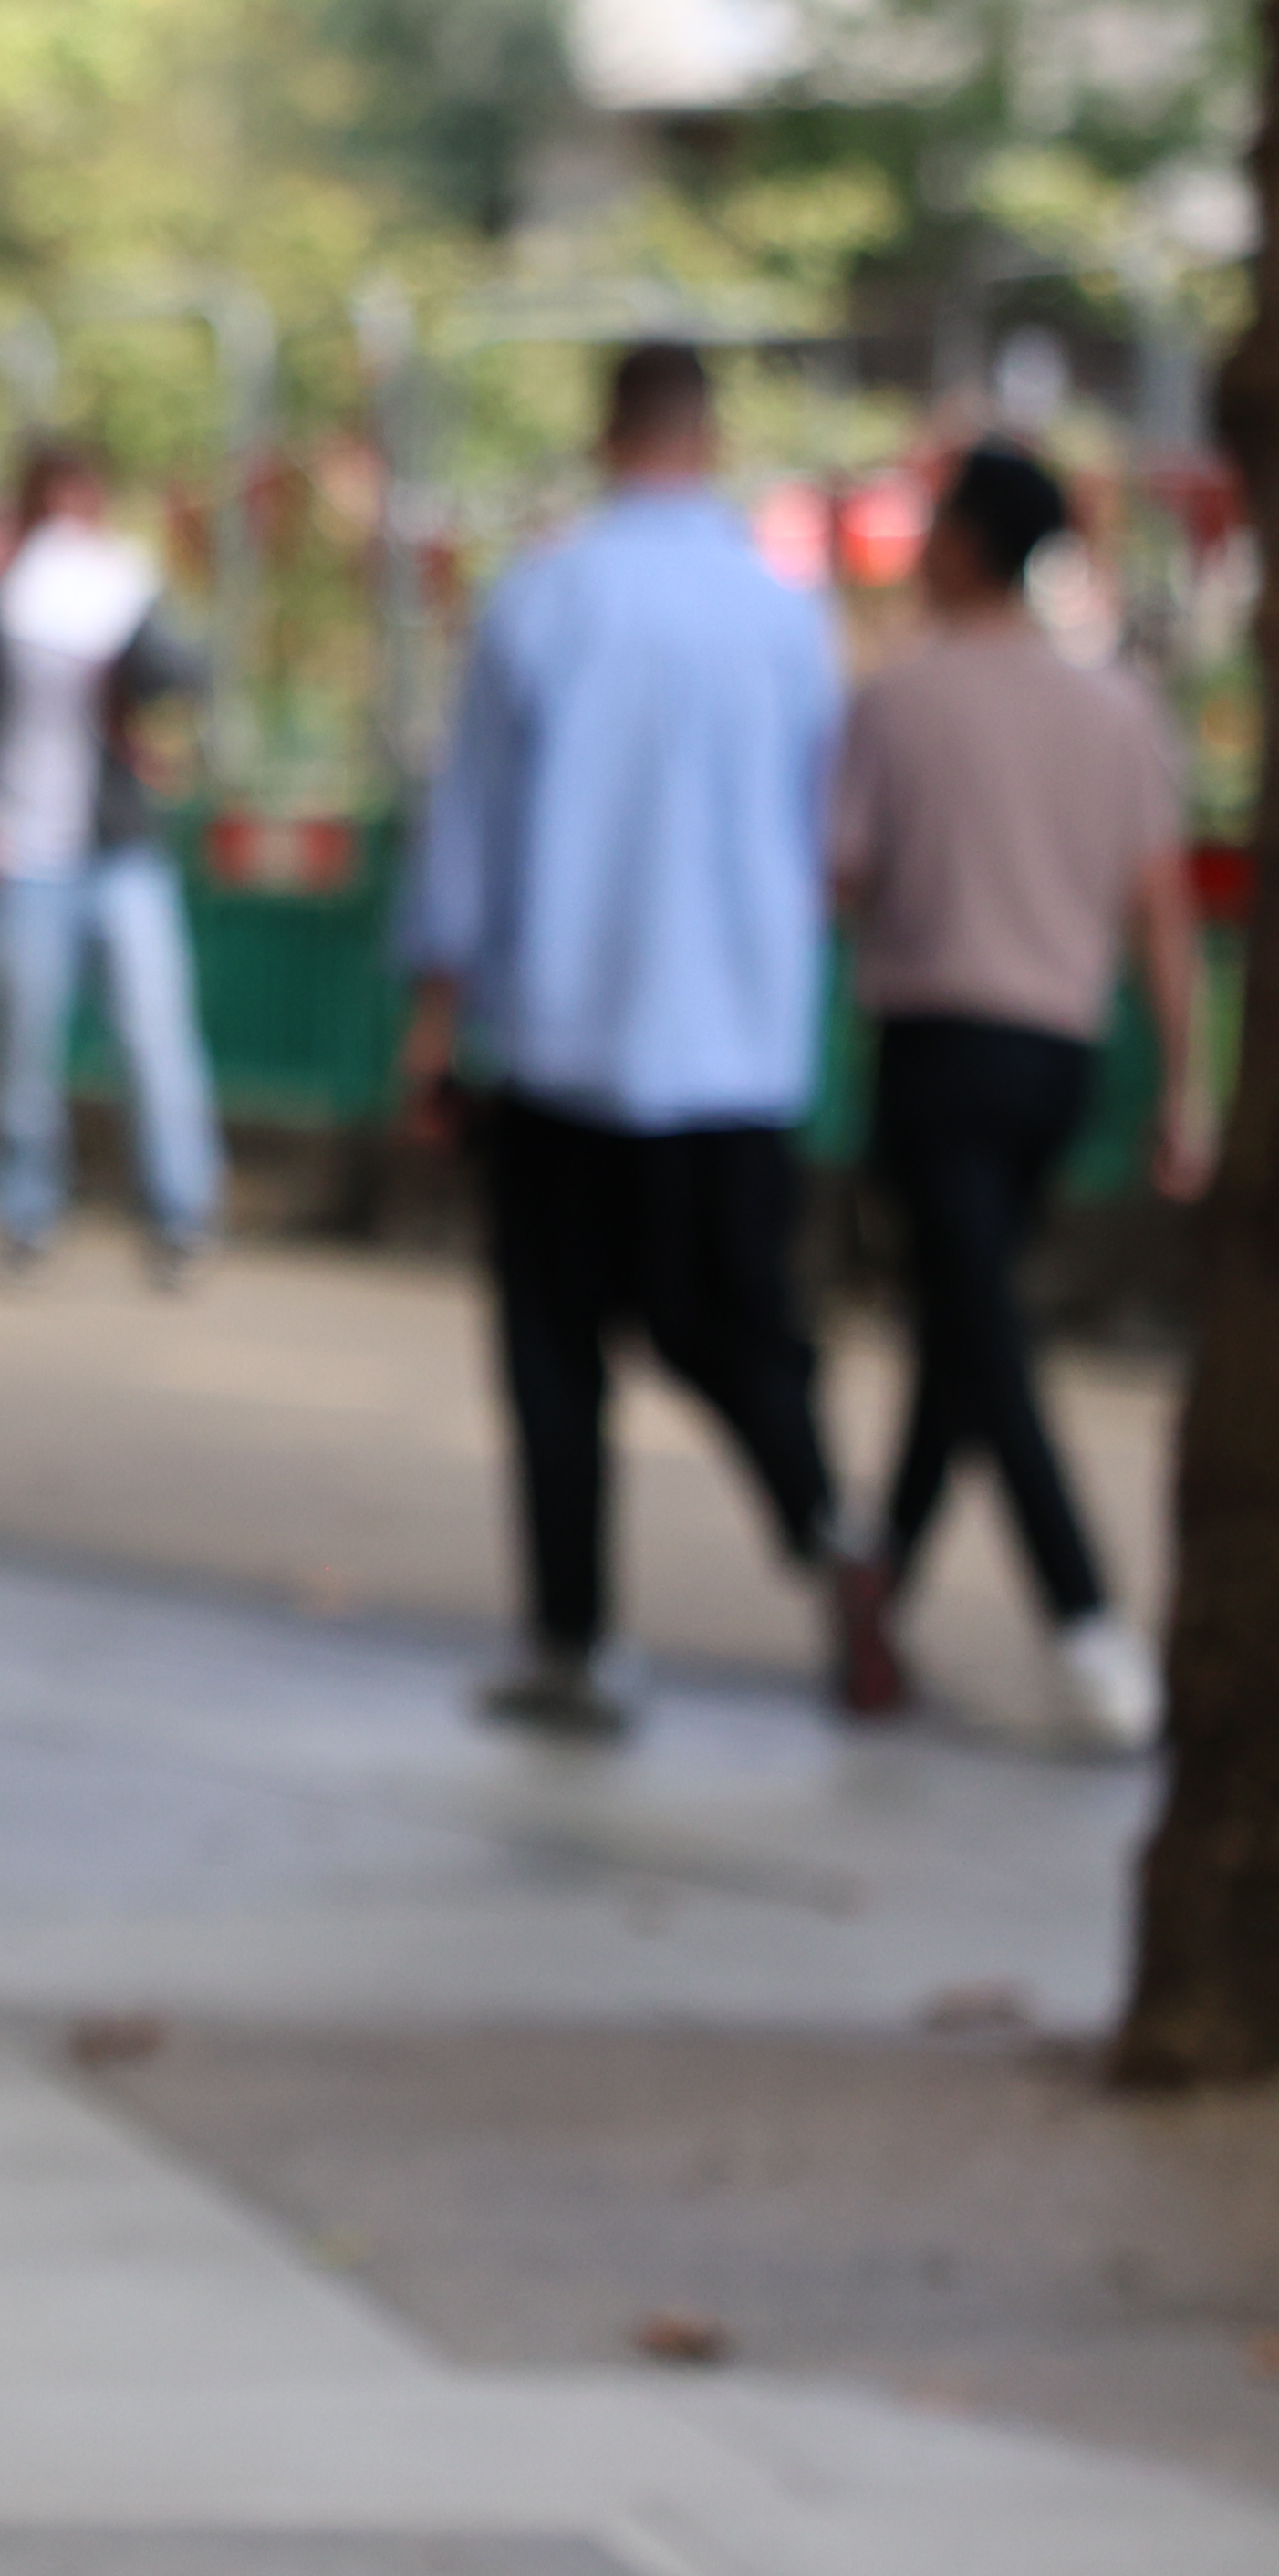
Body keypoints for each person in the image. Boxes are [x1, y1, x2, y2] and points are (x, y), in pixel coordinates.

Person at [394, 342, 861, 1741]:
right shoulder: (786, 621)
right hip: (739, 1051)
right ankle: (829, 1531)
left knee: (555, 1352)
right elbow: (828, 838)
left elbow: (465, 837)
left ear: (607, 435)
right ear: (709, 439)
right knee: (737, 1327)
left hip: (566, 1043)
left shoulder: (544, 600)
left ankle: (577, 1639)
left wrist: (435, 1033)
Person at [831, 436, 1209, 1752]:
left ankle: (1087, 1620)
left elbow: (840, 875)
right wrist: (1183, 1090)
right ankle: (873, 1584)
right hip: (1058, 1061)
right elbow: (1160, 917)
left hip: (938, 1052)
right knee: (962, 1320)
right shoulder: (1119, 708)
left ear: (970, 544)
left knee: (978, 1329)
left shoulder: (900, 701)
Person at [0, 438, 223, 1282]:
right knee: (19, 1040)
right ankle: (23, 1210)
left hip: (119, 853)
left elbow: (185, 683)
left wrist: (131, 619)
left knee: (156, 1035)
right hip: (21, 856)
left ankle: (178, 1212)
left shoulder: (123, 597)